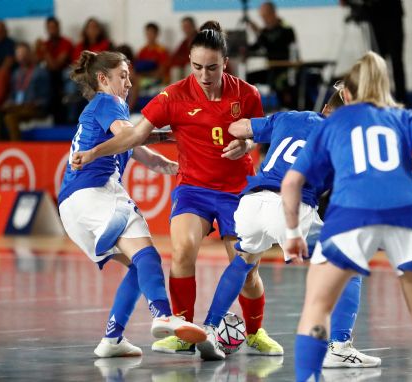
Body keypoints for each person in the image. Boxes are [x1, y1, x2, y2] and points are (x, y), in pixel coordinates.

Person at [70, 21, 274, 357]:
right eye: (196, 67)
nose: (204, 75)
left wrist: (247, 145)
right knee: (181, 253)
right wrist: (93, 152)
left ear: (225, 63)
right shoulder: (174, 95)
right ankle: (183, 330)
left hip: (238, 192)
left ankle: (255, 333)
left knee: (247, 270)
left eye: (212, 67)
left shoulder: (247, 94)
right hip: (193, 189)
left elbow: (257, 136)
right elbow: (134, 136)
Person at [282, 52, 412, 382]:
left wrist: (292, 232)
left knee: (317, 306)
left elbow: (292, 182)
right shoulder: (403, 116)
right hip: (409, 213)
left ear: (345, 94)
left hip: (353, 213)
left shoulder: (333, 123)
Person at [194, 90, 379, 369]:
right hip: (289, 208)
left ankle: (208, 327)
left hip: (251, 203)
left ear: (327, 105)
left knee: (244, 259)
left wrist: (246, 142)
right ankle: (339, 347)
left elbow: (237, 127)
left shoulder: (291, 117)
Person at [58, 50, 206, 358]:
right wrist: (174, 131)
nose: (128, 82)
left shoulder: (102, 110)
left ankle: (112, 339)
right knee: (148, 254)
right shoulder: (108, 103)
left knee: (140, 268)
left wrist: (175, 166)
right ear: (103, 79)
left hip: (73, 208)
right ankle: (163, 315)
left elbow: (139, 149)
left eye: (129, 76)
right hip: (96, 192)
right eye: (122, 76)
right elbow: (128, 135)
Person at [246, 1, 298, 109]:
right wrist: (242, 49)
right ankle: (253, 106)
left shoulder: (286, 29)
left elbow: (274, 43)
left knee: (281, 85)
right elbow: (256, 47)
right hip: (271, 69)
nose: (264, 20)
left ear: (273, 13)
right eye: (262, 17)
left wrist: (259, 32)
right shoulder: (265, 31)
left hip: (285, 70)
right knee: (249, 78)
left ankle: (286, 107)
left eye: (266, 16)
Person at [2, 42, 50, 141]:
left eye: (24, 54)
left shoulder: (40, 72)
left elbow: (46, 97)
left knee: (10, 118)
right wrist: (9, 103)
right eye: (19, 54)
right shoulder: (16, 73)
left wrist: (34, 104)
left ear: (30, 54)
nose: (22, 57)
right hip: (18, 106)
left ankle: (16, 146)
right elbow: (12, 94)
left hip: (34, 108)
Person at [364, 0, 408, 104]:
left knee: (396, 59)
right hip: (376, 13)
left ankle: (400, 98)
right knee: (378, 60)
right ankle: (379, 97)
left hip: (391, 13)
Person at [36, 17, 73, 123]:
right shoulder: (45, 44)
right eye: (49, 27)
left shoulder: (66, 43)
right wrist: (36, 49)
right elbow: (36, 62)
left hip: (62, 77)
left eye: (54, 27)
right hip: (48, 78)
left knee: (53, 76)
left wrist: (45, 52)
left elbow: (56, 66)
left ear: (58, 28)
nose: (52, 30)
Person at [169, 16, 198, 81]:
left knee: (189, 67)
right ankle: (176, 91)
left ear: (193, 26)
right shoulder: (184, 42)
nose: (186, 29)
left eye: (188, 27)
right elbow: (175, 57)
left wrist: (183, 61)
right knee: (175, 70)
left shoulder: (200, 39)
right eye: (184, 27)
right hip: (184, 65)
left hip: (196, 66)